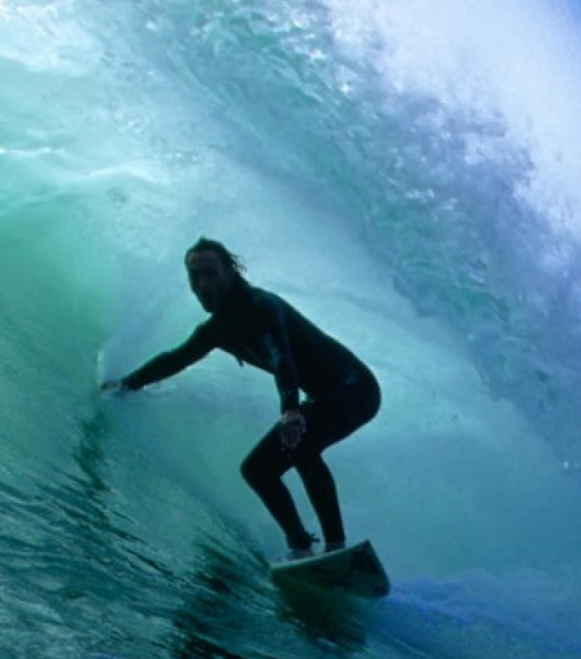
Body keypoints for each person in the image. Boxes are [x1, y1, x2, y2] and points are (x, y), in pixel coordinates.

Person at [104, 239, 381, 560]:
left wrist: (291, 408)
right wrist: (126, 384)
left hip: (355, 388)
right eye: (195, 277)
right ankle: (301, 547)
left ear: (231, 272)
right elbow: (175, 360)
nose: (204, 284)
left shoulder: (263, 308)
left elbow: (282, 357)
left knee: (303, 445)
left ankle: (336, 547)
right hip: (325, 398)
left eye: (211, 273)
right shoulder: (217, 329)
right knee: (257, 470)